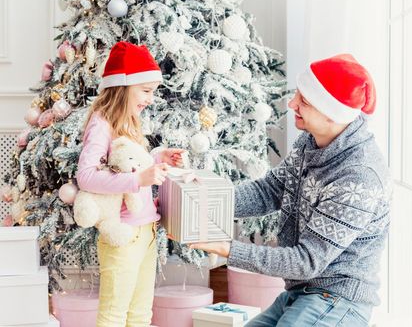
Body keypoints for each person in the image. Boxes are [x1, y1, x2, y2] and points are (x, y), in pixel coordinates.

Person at [191, 54, 391, 326]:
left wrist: (227, 248)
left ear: (332, 114)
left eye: (304, 102)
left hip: (337, 299)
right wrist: (208, 199)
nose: (292, 104)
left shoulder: (358, 176)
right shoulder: (311, 141)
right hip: (302, 291)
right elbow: (271, 190)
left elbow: (306, 261)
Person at [76, 41, 184, 327]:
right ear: (123, 87)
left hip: (146, 231)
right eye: (145, 91)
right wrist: (139, 179)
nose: (150, 99)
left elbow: (128, 162)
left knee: (140, 315)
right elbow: (86, 176)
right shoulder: (102, 124)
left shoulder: (130, 122)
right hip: (123, 235)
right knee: (113, 315)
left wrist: (158, 157)